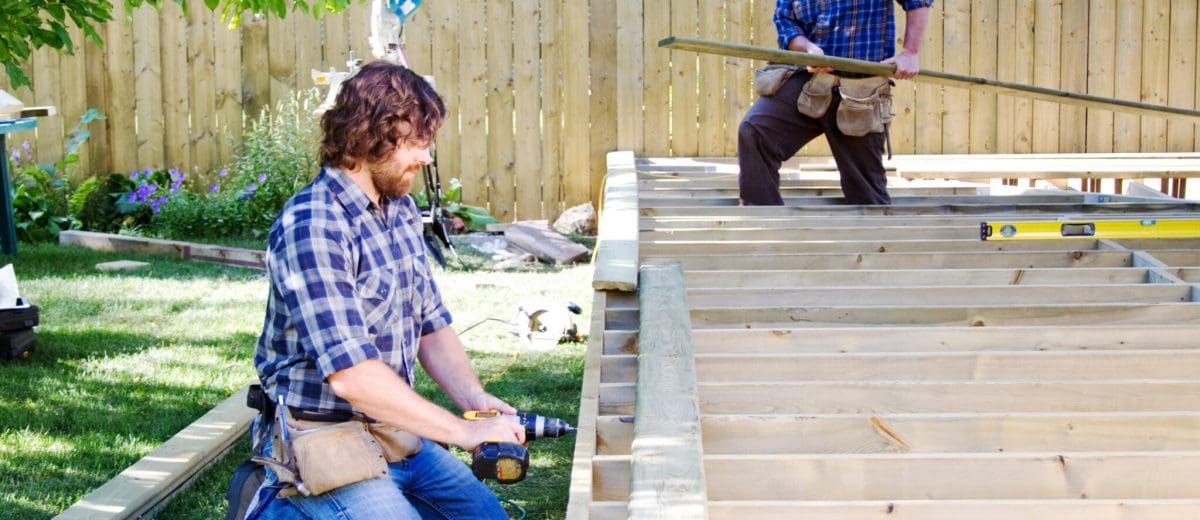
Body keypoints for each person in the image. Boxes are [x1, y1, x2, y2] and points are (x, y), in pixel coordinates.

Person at [244, 60, 524, 519]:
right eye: (416, 143)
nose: (426, 158)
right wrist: (462, 432)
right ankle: (277, 506)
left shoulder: (401, 211)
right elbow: (352, 377)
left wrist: (474, 403)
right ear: (368, 136)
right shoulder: (313, 224)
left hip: (394, 432)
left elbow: (432, 325)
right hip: (322, 436)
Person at [738, 0, 933, 206]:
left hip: (861, 91)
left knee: (867, 193)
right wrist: (808, 48)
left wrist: (910, 52)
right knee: (755, 131)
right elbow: (785, 20)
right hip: (808, 80)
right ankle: (764, 220)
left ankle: (874, 233)